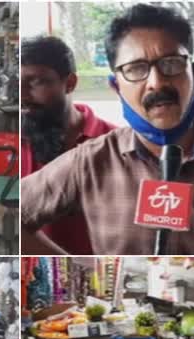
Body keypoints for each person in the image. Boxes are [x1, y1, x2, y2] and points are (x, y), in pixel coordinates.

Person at [21, 3, 194, 255]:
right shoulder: (90, 162)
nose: (156, 82)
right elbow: (13, 215)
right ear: (116, 86)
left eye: (172, 64)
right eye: (136, 69)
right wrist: (77, 269)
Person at [21, 36, 116, 254]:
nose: (23, 95)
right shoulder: (19, 141)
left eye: (36, 82)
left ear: (70, 83)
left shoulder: (114, 144)